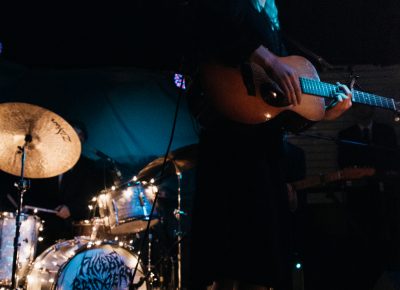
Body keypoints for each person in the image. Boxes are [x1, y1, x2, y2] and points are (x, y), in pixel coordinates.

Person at [186, 1, 352, 290]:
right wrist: (269, 60)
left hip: (266, 150)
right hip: (232, 144)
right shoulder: (238, 9)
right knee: (231, 258)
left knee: (263, 263)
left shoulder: (271, 16)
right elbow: (210, 21)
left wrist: (326, 113)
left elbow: (280, 107)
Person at [21, 119, 110, 254]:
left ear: (83, 141)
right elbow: (36, 194)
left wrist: (71, 209)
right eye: (71, 135)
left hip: (73, 232)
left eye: (79, 137)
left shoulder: (89, 167)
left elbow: (92, 200)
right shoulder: (45, 162)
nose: (75, 140)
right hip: (43, 229)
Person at [337, 104, 400, 289]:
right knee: (362, 239)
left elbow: (392, 160)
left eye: (365, 108)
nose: (362, 111)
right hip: (359, 195)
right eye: (358, 108)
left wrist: (377, 172)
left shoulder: (385, 132)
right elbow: (344, 164)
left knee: (389, 236)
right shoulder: (346, 135)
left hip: (386, 195)